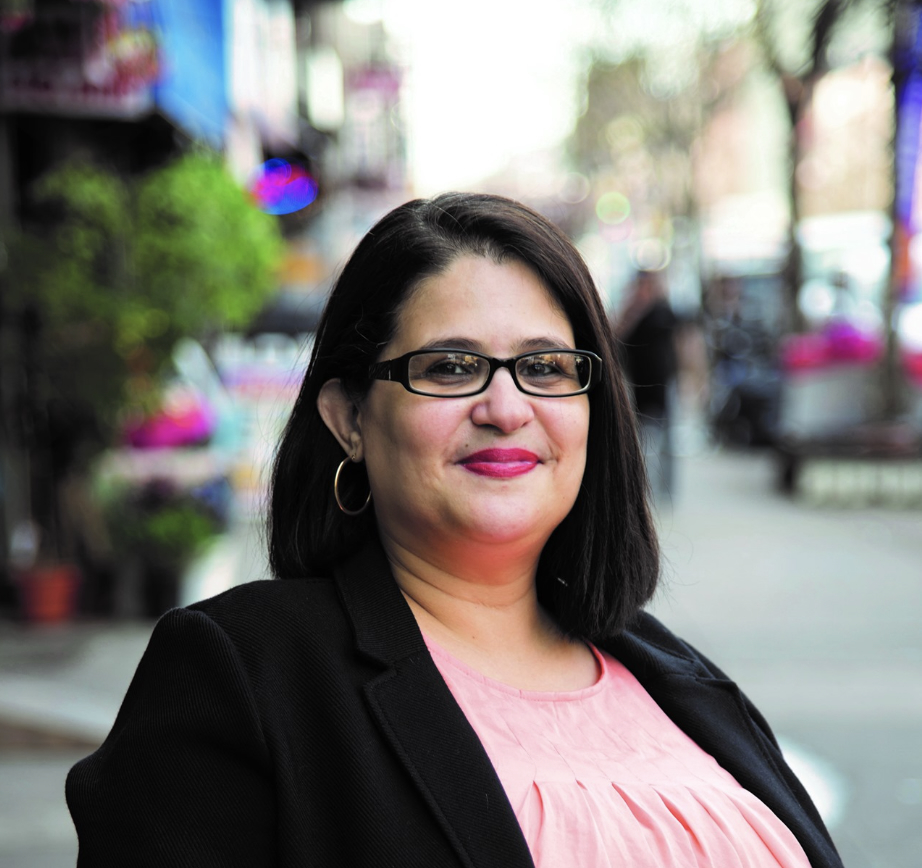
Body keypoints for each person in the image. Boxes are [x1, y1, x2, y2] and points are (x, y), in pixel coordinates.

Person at [66, 193, 844, 867]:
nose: (506, 408)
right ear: (349, 418)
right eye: (449, 367)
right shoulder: (244, 673)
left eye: (545, 368)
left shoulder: (680, 677)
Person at [615, 268, 678, 498]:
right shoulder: (633, 312)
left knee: (663, 440)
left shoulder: (663, 312)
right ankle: (646, 490)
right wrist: (633, 310)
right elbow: (616, 338)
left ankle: (664, 491)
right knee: (646, 439)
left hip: (662, 385)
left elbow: (680, 343)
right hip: (640, 385)